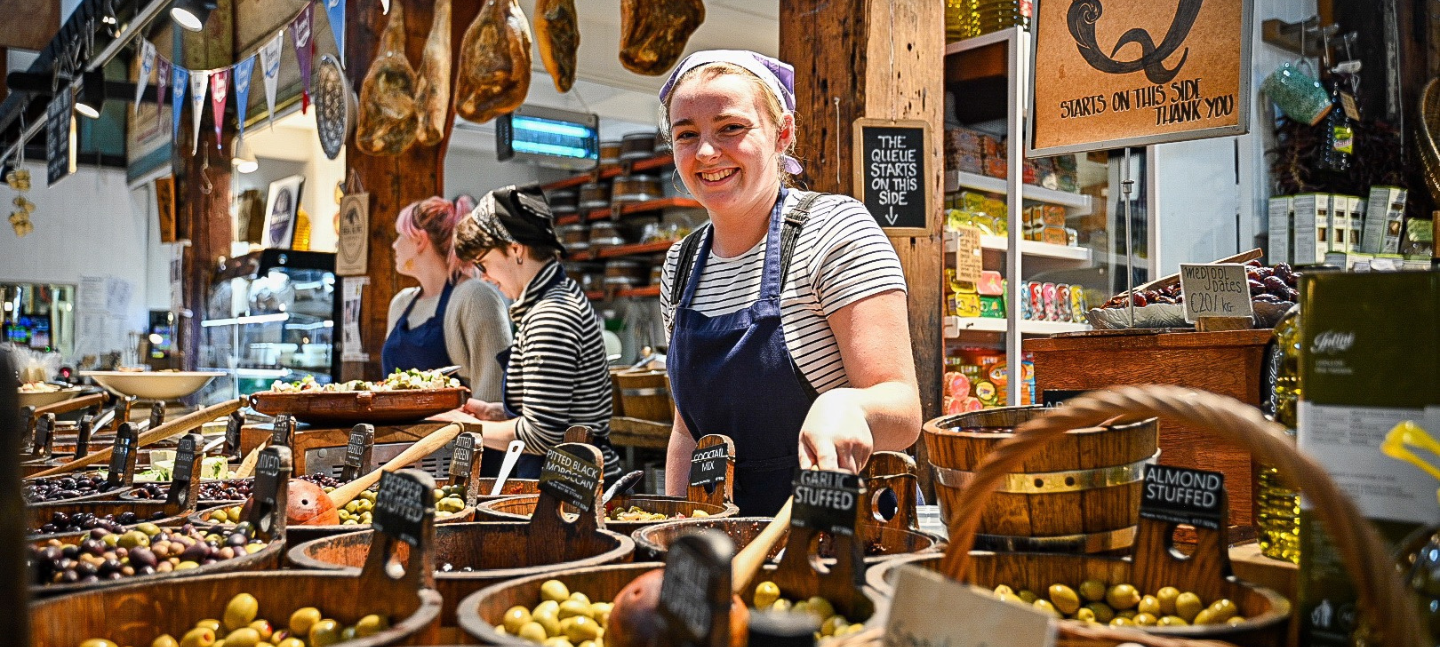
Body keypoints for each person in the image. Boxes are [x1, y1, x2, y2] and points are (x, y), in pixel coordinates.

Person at [657, 50, 923, 516]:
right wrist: (675, 534)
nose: (705, 152)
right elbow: (687, 431)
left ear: (783, 133)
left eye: (730, 128)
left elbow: (902, 412)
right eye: (686, 135)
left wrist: (849, 407)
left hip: (843, 529)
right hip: (727, 538)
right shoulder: (680, 263)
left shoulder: (835, 230)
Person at [453, 185, 622, 481]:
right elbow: (553, 412)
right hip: (569, 482)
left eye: (483, 262)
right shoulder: (551, 299)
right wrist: (494, 413)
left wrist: (458, 426)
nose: (485, 276)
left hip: (573, 490)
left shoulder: (550, 314)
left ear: (515, 248)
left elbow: (541, 435)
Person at [384, 196, 511, 404]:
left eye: (400, 235)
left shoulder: (475, 297)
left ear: (420, 241)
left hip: (455, 434)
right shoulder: (401, 304)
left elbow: (493, 398)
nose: (394, 245)